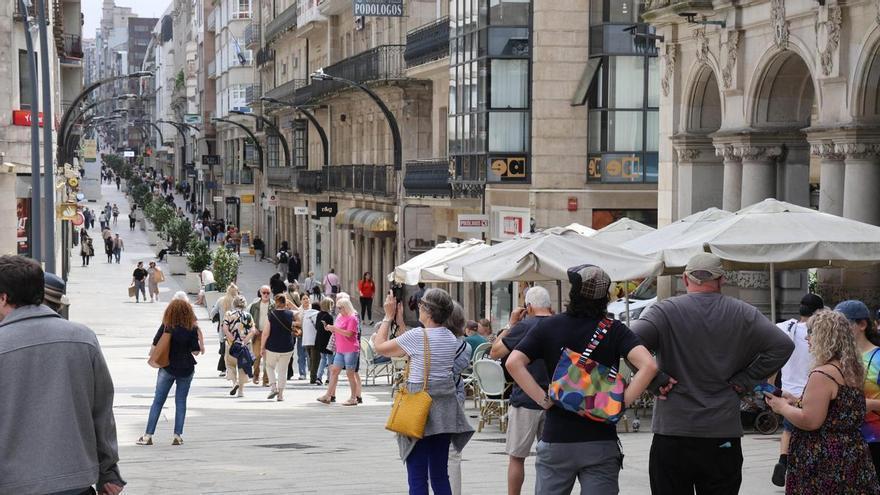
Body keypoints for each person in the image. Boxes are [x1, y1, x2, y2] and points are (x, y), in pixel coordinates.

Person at [630, 253, 794, 495]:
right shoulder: (743, 313)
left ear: (686, 279)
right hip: (722, 433)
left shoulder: (664, 312)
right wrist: (746, 379)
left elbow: (629, 343)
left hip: (673, 432)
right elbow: (783, 345)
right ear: (721, 280)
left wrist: (655, 380)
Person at [505, 265, 658, 494]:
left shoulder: (549, 326)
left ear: (573, 293)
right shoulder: (614, 329)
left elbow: (513, 363)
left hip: (557, 438)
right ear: (605, 296)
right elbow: (649, 365)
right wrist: (622, 402)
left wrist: (543, 399)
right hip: (600, 441)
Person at [0, 255, 126, 494]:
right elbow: (102, 412)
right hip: (75, 481)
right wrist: (108, 471)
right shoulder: (83, 338)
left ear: (4, 297)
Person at [764, 310, 880, 493]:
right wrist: (796, 401)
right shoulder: (852, 369)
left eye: (811, 333)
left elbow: (811, 421)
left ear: (824, 337)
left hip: (824, 460)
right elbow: (839, 409)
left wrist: (783, 407)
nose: (807, 338)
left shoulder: (823, 373)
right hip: (852, 454)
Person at [374, 288, 475, 494]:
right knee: (439, 474)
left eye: (420, 305)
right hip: (445, 410)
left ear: (428, 311)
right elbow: (415, 348)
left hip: (420, 410)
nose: (418, 308)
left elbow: (380, 347)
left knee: (417, 475)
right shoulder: (449, 337)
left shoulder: (418, 336)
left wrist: (387, 316)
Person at [489, 286, 553, 495]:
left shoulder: (524, 326)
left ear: (528, 307)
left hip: (525, 399)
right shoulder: (560, 325)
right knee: (551, 457)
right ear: (549, 306)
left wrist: (511, 324)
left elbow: (495, 352)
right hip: (555, 400)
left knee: (517, 457)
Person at [771, 293, 826, 487]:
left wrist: (771, 388)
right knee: (811, 431)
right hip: (813, 389)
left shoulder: (784, 328)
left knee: (788, 429)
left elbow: (771, 360)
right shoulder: (821, 332)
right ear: (820, 311)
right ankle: (807, 466)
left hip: (787, 389)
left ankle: (783, 460)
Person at [138, 299, 204, 446]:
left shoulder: (167, 326)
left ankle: (148, 436)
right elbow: (196, 351)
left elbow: (155, 345)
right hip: (186, 369)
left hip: (167, 367)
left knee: (158, 401)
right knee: (181, 401)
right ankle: (177, 435)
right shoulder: (191, 328)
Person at [836, 299, 880, 477]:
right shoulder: (837, 358)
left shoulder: (877, 358)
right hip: (844, 439)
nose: (838, 331)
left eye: (843, 325)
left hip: (874, 439)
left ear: (862, 324)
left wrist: (865, 403)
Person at [317, 298, 361, 406]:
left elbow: (349, 334)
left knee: (350, 374)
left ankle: (353, 398)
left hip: (351, 349)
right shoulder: (340, 317)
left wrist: (335, 329)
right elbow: (337, 330)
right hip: (340, 349)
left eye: (340, 308)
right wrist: (330, 328)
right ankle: (328, 395)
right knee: (334, 371)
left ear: (346, 307)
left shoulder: (352, 318)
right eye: (337, 308)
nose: (338, 310)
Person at [262, 294, 297, 401]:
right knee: (283, 370)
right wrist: (291, 305)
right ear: (285, 302)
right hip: (287, 347)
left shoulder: (271, 315)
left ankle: (273, 388)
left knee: (269, 366)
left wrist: (262, 347)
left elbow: (265, 333)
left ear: (276, 302)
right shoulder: (291, 314)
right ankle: (280, 395)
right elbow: (301, 312)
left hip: (272, 346)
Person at [222, 295, 256, 398]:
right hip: (244, 346)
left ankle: (234, 382)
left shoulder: (228, 314)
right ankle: (241, 391)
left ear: (234, 303)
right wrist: (245, 341)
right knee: (242, 367)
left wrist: (232, 339)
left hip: (232, 346)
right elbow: (253, 330)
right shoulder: (248, 315)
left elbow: (225, 328)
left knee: (230, 365)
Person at [210, 284, 240, 376]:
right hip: (235, 329)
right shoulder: (238, 301)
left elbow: (212, 313)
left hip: (223, 328)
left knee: (224, 348)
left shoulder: (221, 300)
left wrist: (216, 318)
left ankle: (224, 369)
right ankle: (233, 368)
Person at [248, 286, 274, 386]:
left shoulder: (273, 305)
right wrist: (254, 329)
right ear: (260, 293)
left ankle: (266, 380)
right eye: (264, 293)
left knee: (268, 359)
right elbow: (250, 320)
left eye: (268, 293)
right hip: (258, 334)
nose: (266, 295)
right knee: (257, 357)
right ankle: (256, 375)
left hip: (270, 335)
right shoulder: (254, 306)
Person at [314, 297, 336, 385]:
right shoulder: (329, 317)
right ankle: (329, 378)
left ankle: (319, 377)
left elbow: (316, 327)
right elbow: (332, 330)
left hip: (320, 340)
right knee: (330, 360)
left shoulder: (319, 314)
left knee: (322, 359)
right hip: (328, 341)